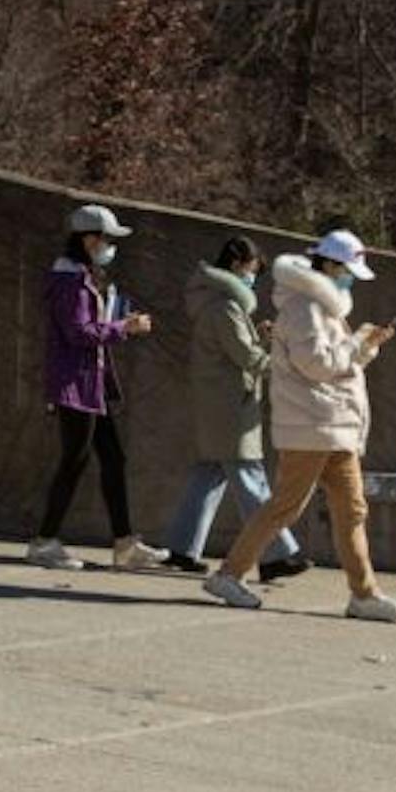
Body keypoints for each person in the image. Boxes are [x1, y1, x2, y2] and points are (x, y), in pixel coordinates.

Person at [204, 230, 396, 622]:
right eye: (348, 270)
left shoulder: (318, 305)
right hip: (312, 425)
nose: (350, 278)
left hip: (330, 425)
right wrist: (357, 343)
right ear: (332, 266)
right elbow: (317, 365)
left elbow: (335, 364)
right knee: (288, 506)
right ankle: (229, 574)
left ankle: (364, 594)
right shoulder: (304, 307)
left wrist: (366, 345)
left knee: (350, 510)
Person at [28, 203, 170, 571]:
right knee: (74, 460)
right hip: (75, 383)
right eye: (106, 239)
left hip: (90, 384)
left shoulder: (82, 278)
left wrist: (119, 323)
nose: (109, 246)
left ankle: (124, 543)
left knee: (112, 458)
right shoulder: (70, 281)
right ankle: (44, 541)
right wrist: (126, 328)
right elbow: (80, 333)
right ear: (89, 239)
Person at [161, 236, 310, 579]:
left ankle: (183, 549)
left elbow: (233, 351)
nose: (254, 277)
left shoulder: (217, 302)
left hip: (219, 402)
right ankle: (276, 555)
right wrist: (285, 360)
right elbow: (246, 358)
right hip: (231, 406)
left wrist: (259, 337)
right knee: (250, 478)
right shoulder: (225, 307)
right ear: (238, 263)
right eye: (254, 269)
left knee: (208, 475)